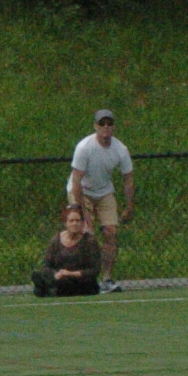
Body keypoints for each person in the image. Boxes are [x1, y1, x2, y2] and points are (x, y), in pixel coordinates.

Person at [66, 110, 134, 292]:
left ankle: (107, 279)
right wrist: (83, 211)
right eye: (102, 123)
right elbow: (76, 181)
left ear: (114, 127)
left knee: (110, 233)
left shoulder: (120, 150)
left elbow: (128, 178)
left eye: (109, 124)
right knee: (86, 233)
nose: (106, 127)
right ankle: (84, 278)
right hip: (81, 191)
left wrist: (129, 206)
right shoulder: (84, 147)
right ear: (95, 126)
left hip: (104, 192)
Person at [33, 203, 102, 296]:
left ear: (82, 223)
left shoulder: (89, 241)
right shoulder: (56, 240)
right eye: (71, 221)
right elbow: (47, 265)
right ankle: (49, 287)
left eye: (77, 221)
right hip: (60, 277)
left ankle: (47, 289)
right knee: (38, 274)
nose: (75, 224)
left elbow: (94, 270)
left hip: (81, 281)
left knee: (64, 282)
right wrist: (56, 274)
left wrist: (71, 274)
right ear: (65, 223)